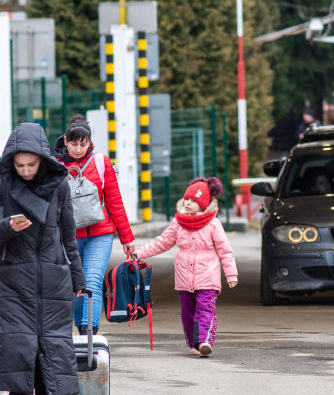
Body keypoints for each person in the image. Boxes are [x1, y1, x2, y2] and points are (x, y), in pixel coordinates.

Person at [0, 122, 87, 395]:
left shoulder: (60, 186)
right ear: (10, 159)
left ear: (42, 159)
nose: (25, 170)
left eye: (31, 164)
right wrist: (8, 226)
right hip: (12, 277)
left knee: (52, 345)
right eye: (19, 164)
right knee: (18, 344)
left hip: (54, 277)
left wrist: (78, 278)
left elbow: (69, 237)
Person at [135, 177, 238, 357]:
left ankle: (204, 341)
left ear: (204, 204)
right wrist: (140, 253)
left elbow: (225, 251)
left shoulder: (213, 224)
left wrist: (231, 274)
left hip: (207, 277)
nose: (188, 203)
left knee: (205, 309)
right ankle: (193, 343)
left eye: (194, 201)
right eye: (187, 200)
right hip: (184, 277)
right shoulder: (178, 222)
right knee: (187, 312)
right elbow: (163, 242)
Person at [53, 115, 136, 336]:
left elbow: (115, 201)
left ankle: (89, 333)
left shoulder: (102, 163)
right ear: (65, 140)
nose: (78, 149)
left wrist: (127, 238)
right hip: (68, 235)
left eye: (83, 143)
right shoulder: (55, 166)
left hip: (100, 233)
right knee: (74, 283)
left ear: (90, 142)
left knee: (92, 280)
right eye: (73, 143)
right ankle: (81, 328)